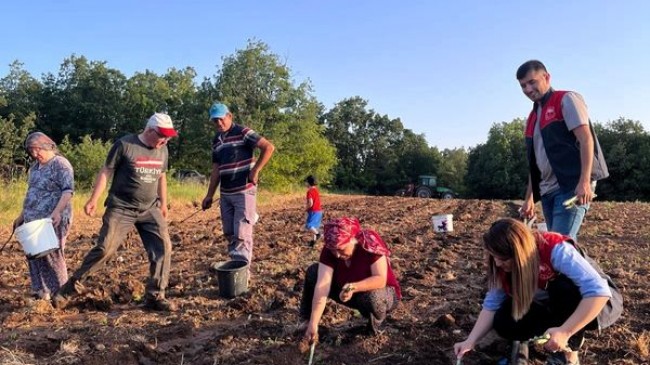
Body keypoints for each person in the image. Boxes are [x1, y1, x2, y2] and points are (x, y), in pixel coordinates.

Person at [52, 113, 178, 311]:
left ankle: (155, 295)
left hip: (149, 208)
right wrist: (93, 199)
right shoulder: (125, 145)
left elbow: (162, 176)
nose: (166, 140)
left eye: (168, 137)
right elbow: (106, 171)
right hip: (121, 207)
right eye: (162, 136)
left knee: (164, 247)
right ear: (149, 130)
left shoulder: (163, 150)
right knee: (105, 248)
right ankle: (68, 290)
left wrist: (163, 203)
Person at [454, 218, 617, 365]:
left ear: (520, 254)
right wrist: (471, 340)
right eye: (493, 257)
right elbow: (491, 305)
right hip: (547, 304)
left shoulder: (555, 249)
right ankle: (540, 335)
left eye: (503, 259)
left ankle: (568, 354)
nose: (497, 263)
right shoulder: (499, 264)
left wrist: (565, 331)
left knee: (563, 287)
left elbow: (598, 291)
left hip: (594, 304)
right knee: (504, 320)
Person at [517, 60, 608, 241]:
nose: (527, 89)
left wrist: (584, 182)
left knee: (559, 247)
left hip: (571, 187)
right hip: (547, 191)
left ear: (547, 77)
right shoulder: (532, 117)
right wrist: (529, 198)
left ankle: (587, 270)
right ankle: (583, 269)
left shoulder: (566, 99)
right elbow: (534, 162)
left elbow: (586, 139)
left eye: (532, 82)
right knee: (560, 246)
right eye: (523, 85)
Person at [300, 217, 401, 343]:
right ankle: (306, 321)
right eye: (333, 250)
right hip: (347, 293)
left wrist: (353, 287)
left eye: (341, 249)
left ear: (354, 241)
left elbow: (380, 279)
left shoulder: (370, 243)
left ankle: (374, 328)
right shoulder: (330, 250)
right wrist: (314, 323)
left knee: (373, 296)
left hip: (383, 295)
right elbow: (322, 285)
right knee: (313, 272)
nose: (336, 254)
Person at [201, 103, 275, 265]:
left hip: (243, 191)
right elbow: (216, 170)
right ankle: (236, 263)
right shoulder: (217, 141)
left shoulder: (243, 132)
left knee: (242, 233)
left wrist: (255, 171)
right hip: (226, 193)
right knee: (229, 232)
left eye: (221, 119)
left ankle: (241, 274)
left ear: (229, 116)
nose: (219, 123)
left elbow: (268, 147)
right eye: (215, 121)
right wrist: (209, 195)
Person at [13, 132, 74, 301]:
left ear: (48, 146)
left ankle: (61, 293)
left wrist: (56, 212)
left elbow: (68, 191)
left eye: (37, 150)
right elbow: (31, 193)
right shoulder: (34, 168)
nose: (35, 155)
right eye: (31, 151)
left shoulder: (61, 164)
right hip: (33, 219)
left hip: (53, 218)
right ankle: (42, 292)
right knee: (34, 255)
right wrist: (21, 216)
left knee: (52, 255)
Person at [304, 175, 323, 247]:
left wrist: (306, 208)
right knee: (314, 227)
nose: (305, 183)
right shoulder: (316, 190)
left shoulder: (309, 191)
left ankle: (318, 235)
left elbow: (310, 203)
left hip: (313, 211)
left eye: (306, 182)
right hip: (319, 211)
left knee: (309, 225)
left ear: (309, 183)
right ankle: (313, 242)